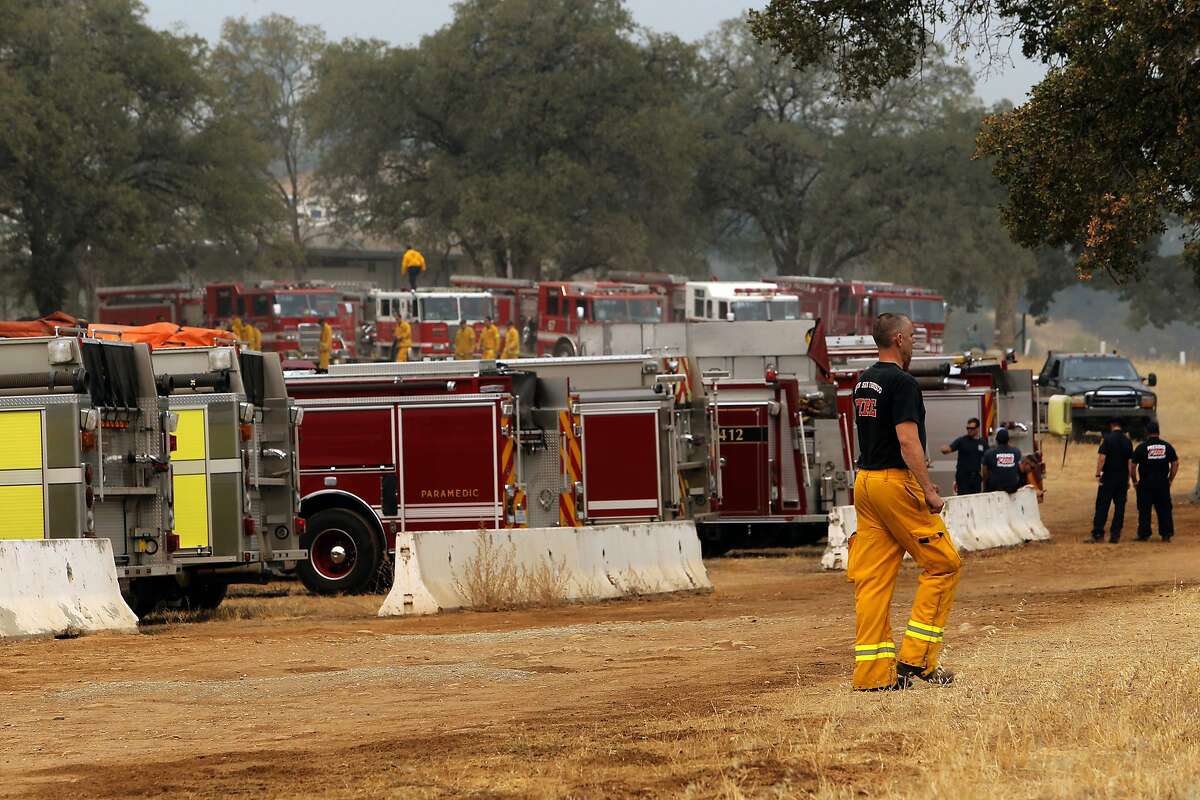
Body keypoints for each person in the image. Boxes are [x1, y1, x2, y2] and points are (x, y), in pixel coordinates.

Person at [848, 312, 960, 692]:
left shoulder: (864, 382)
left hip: (865, 484)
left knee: (873, 581)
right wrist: (928, 490)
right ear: (898, 338)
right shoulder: (903, 382)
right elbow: (908, 441)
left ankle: (873, 676)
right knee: (944, 564)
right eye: (912, 336)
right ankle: (917, 659)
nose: (915, 342)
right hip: (895, 483)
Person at [1130, 421, 1178, 542]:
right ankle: (1166, 534)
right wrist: (1170, 479)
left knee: (1144, 510)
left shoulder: (1142, 447)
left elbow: (1132, 466)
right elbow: (1175, 463)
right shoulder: (1167, 446)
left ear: (1147, 432)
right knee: (1164, 509)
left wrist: (1135, 481)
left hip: (1145, 483)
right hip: (1162, 483)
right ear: (1158, 432)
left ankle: (1144, 534)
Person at [1091, 419, 1133, 543]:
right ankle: (1115, 534)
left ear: (1111, 426)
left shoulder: (1107, 439)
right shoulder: (1128, 441)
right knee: (1120, 507)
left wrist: (1098, 474)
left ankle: (1098, 533)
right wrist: (1128, 479)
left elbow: (1102, 458)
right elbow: (1130, 462)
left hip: (1109, 476)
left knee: (1102, 505)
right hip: (1122, 478)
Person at [941, 417, 987, 494]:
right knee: (963, 497)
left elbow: (987, 458)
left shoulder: (982, 442)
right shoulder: (962, 440)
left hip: (976, 477)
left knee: (976, 498)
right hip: (963, 477)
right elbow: (949, 448)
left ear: (977, 428)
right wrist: (944, 449)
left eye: (971, 428)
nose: (969, 430)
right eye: (967, 428)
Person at [981, 428, 1023, 493]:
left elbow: (984, 471)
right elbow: (1020, 469)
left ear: (996, 440)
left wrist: (985, 484)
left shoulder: (989, 453)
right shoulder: (1016, 452)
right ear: (1008, 440)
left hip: (995, 487)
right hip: (1012, 488)